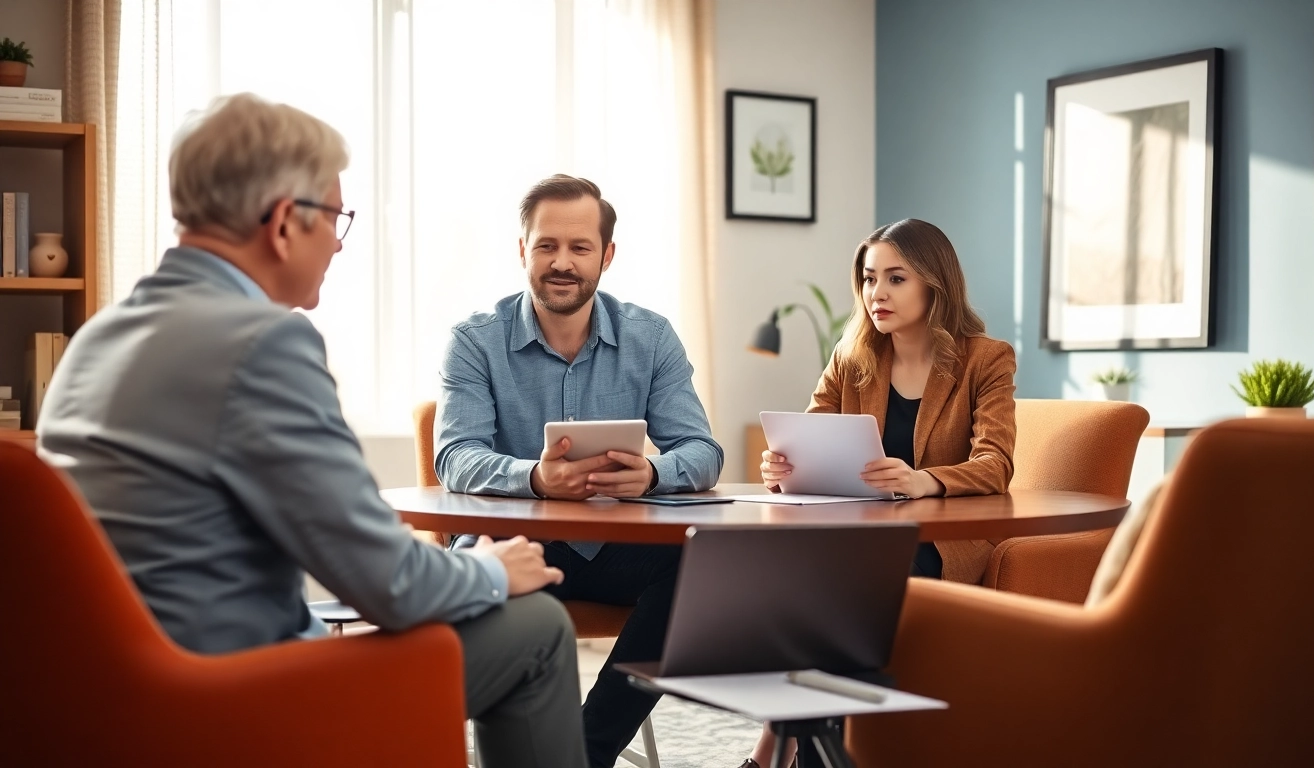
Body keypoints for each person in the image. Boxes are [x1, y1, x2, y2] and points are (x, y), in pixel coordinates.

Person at [36, 94, 587, 768]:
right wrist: (490, 568)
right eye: (335, 217)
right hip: (217, 706)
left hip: (99, 703)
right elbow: (390, 585)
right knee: (534, 626)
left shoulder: (98, 335)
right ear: (282, 223)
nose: (338, 240)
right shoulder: (262, 342)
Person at [435, 173, 723, 767]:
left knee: (703, 568)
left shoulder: (651, 337)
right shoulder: (474, 341)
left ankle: (587, 752)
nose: (561, 262)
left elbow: (702, 450)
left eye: (579, 247)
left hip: (616, 542)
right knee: (493, 589)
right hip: (513, 542)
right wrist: (535, 480)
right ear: (523, 251)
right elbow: (454, 457)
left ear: (606, 255)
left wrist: (651, 476)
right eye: (546, 246)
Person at [740, 218, 1017, 768]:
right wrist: (782, 464)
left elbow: (996, 465)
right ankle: (801, 747)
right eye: (869, 279)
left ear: (934, 284)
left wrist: (924, 480)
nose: (877, 294)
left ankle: (778, 746)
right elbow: (810, 435)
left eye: (896, 279)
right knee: (792, 573)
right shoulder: (853, 357)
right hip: (853, 538)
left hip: (938, 542)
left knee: (845, 590)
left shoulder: (986, 358)